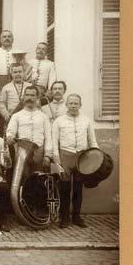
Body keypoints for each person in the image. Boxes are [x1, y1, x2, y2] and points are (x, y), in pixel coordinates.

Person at [52, 94, 99, 229]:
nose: (73, 106)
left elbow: (93, 141)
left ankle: (76, 217)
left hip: (82, 158)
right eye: (71, 103)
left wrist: (96, 158)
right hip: (65, 156)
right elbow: (54, 142)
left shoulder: (86, 121)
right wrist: (57, 159)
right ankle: (64, 217)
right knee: (65, 189)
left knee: (78, 189)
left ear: (80, 105)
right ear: (66, 105)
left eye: (76, 103)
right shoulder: (59, 121)